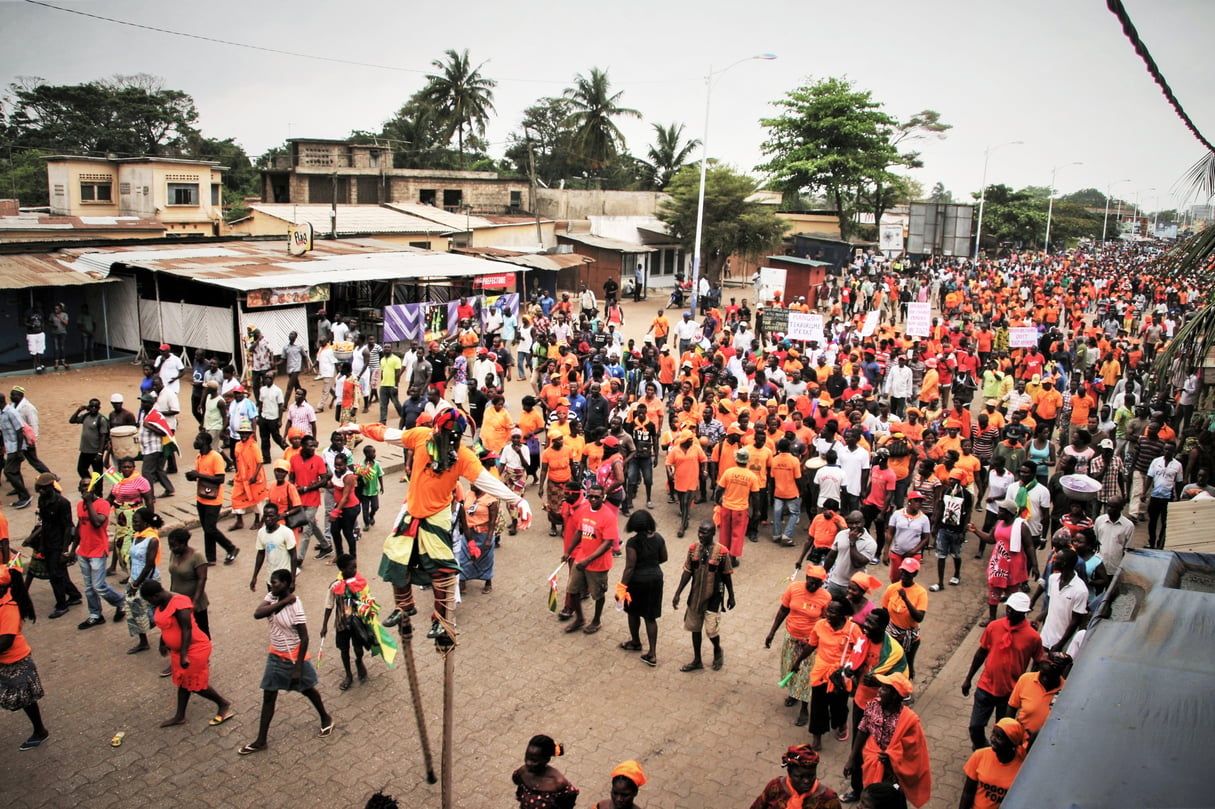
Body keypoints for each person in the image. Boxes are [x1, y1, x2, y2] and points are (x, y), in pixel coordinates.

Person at [239, 568, 333, 755]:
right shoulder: (273, 597)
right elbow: (258, 613)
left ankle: (326, 717)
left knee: (308, 689)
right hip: (276, 654)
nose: (272, 585)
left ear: (286, 584)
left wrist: (297, 668)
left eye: (275, 582)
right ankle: (261, 740)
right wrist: (281, 602)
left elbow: (304, 638)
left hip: (294, 656)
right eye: (271, 582)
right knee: (269, 694)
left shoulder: (296, 606)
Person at [140, 580, 233, 728]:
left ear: (156, 595)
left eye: (149, 600)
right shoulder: (160, 603)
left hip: (194, 649)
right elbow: (166, 627)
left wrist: (184, 655)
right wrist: (163, 643)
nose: (149, 603)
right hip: (178, 651)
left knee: (196, 684)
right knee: (184, 682)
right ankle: (180, 716)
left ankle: (223, 704)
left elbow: (187, 629)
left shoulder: (179, 603)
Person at [961, 592, 1042, 750]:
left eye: (1015, 610)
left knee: (1004, 731)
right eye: (1009, 608)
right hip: (986, 686)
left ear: (1025, 613)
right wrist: (968, 678)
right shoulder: (994, 627)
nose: (1010, 612)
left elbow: (1037, 662)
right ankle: (981, 749)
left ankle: (996, 758)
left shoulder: (1033, 637)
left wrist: (1029, 687)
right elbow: (981, 652)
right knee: (975, 727)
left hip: (1010, 693)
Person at [844, 672, 931, 809]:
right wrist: (851, 759)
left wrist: (892, 759)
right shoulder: (873, 706)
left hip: (894, 773)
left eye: (884, 688)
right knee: (871, 793)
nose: (879, 690)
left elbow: (914, 752)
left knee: (894, 794)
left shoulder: (909, 721)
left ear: (894, 696)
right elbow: (862, 730)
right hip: (871, 762)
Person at [792, 596, 862, 751]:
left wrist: (855, 673)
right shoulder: (819, 625)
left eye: (833, 612)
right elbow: (811, 645)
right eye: (828, 610)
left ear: (843, 614)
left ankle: (841, 723)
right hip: (820, 672)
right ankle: (816, 737)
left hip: (840, 675)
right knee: (818, 705)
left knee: (839, 705)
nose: (828, 614)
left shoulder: (853, 630)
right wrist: (798, 662)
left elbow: (859, 652)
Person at [766, 564, 832, 727]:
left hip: (810, 643)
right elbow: (783, 610)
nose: (813, 585)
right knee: (791, 668)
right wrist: (772, 632)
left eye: (818, 583)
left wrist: (814, 641)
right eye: (811, 581)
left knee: (806, 675)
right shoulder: (794, 589)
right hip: (791, 638)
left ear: (822, 583)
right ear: (806, 578)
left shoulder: (825, 597)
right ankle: (794, 695)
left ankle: (804, 708)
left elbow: (825, 621)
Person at [671, 520, 736, 672]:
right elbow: (687, 571)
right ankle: (697, 660)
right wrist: (678, 593)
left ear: (713, 534)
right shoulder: (693, 549)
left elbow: (727, 576)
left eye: (704, 532)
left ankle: (717, 649)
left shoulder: (722, 552)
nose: (701, 535)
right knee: (695, 628)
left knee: (711, 630)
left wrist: (731, 596)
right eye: (699, 531)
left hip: (714, 598)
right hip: (695, 597)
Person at [0, 564, 50, 750]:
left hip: (15, 661)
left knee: (26, 699)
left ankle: (40, 731)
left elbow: (6, 641)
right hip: (5, 661)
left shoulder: (9, 607)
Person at [67, 475, 125, 629]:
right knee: (88, 587)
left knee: (98, 585)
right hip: (83, 551)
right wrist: (73, 550)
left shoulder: (102, 504)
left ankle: (120, 602)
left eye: (89, 486)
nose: (86, 489)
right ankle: (95, 615)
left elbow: (97, 522)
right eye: (83, 486)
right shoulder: (80, 505)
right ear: (80, 490)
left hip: (98, 550)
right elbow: (80, 527)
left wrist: (88, 502)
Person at [561, 483, 617, 635]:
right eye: (590, 496)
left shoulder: (608, 517)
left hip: (598, 564)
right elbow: (579, 532)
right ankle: (580, 618)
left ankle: (596, 621)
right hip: (581, 559)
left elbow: (607, 544)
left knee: (597, 594)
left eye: (596, 497)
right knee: (572, 591)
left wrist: (588, 560)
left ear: (603, 497)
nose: (592, 499)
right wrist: (569, 551)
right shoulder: (585, 510)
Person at [615, 510, 667, 667]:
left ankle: (635, 642)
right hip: (656, 579)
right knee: (650, 617)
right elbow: (664, 558)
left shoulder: (632, 543)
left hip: (637, 582)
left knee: (633, 612)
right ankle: (652, 653)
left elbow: (630, 567)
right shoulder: (658, 538)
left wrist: (621, 588)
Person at [26, 473, 82, 619]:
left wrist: (65, 550)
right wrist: (42, 544)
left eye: (44, 489)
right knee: (59, 572)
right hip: (48, 540)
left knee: (55, 575)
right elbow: (44, 524)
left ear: (51, 486)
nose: (41, 492)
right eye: (40, 489)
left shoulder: (62, 503)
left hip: (59, 543)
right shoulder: (42, 500)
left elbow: (67, 527)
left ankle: (61, 605)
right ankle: (74, 595)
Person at [185, 432, 239, 565]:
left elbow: (220, 478)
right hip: (201, 497)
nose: (195, 442)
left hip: (214, 499)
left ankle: (231, 548)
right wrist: (193, 476)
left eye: (198, 439)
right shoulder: (199, 457)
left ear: (204, 442)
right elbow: (201, 476)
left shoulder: (216, 457)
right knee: (207, 529)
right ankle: (211, 558)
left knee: (210, 528)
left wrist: (199, 475)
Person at [319, 554, 370, 692]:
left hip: (356, 623)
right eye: (351, 568)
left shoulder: (359, 582)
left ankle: (359, 661)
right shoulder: (335, 586)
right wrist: (324, 625)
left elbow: (367, 600)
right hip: (342, 623)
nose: (354, 570)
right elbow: (329, 605)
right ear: (342, 569)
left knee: (358, 648)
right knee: (344, 649)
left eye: (355, 567)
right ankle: (348, 674)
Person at [958, 718, 1028, 809]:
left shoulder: (1023, 765)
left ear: (1012, 743)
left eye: (999, 737)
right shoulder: (979, 756)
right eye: (993, 733)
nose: (992, 739)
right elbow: (968, 792)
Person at [749, 745, 841, 809]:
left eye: (811, 776)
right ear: (789, 773)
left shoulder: (828, 799)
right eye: (800, 776)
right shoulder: (775, 787)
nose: (806, 781)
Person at [123, 507, 163, 654]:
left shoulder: (152, 539)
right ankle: (143, 641)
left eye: (136, 521)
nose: (134, 523)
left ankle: (167, 638)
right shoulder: (136, 536)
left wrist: (136, 584)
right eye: (133, 521)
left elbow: (149, 565)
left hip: (147, 581)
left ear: (145, 522)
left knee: (156, 611)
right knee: (134, 611)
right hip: (134, 578)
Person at [106, 456, 153, 575]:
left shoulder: (141, 480)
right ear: (120, 468)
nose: (127, 469)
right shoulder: (117, 478)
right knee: (119, 540)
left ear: (134, 467)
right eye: (124, 467)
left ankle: (132, 573)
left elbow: (149, 501)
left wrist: (150, 520)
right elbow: (106, 465)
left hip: (135, 516)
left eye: (129, 467)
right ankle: (113, 567)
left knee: (129, 543)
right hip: (121, 516)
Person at [1035, 547, 1088, 653]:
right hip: (1045, 637)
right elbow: (1052, 604)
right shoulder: (1053, 579)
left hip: (1061, 643)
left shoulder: (1080, 590)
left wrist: (1060, 644)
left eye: (1056, 559)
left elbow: (1076, 621)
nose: (1053, 560)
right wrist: (1038, 618)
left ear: (1064, 564)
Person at [1007, 651, 1068, 743]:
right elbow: (1012, 707)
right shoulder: (1025, 679)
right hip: (1021, 740)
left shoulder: (1066, 690)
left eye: (1048, 676)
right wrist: (1009, 733)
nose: (1045, 679)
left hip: (1046, 743)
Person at [881, 559, 927, 680]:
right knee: (890, 663)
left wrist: (905, 599)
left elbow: (919, 617)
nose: (904, 575)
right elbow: (884, 611)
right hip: (892, 633)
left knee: (907, 664)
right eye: (903, 572)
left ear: (915, 574)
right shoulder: (892, 588)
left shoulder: (921, 592)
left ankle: (906, 690)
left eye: (908, 572)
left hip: (910, 636)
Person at [512, 734, 579, 809]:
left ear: (547, 759)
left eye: (534, 760)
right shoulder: (522, 772)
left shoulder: (558, 784)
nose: (528, 763)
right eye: (527, 757)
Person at [823, 511, 878, 599]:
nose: (853, 526)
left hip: (853, 586)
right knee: (830, 608)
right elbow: (831, 556)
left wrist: (852, 543)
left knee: (850, 610)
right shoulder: (841, 534)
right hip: (835, 581)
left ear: (863, 522)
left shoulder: (870, 543)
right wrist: (823, 573)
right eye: (850, 523)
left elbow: (858, 563)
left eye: (857, 523)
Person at [457, 481, 498, 593]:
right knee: (463, 557)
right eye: (470, 483)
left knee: (486, 558)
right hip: (468, 532)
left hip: (484, 533)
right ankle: (462, 581)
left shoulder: (491, 499)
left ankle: (487, 581)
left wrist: (489, 539)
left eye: (474, 483)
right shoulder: (468, 494)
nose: (471, 485)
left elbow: (492, 521)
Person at [249, 503, 298, 591]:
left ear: (277, 516)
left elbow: (293, 556)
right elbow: (260, 554)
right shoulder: (261, 533)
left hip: (284, 579)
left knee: (283, 603)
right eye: (265, 516)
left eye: (271, 516)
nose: (268, 519)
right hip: (271, 578)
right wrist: (254, 576)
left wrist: (292, 580)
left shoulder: (286, 532)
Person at [229, 421, 267, 532]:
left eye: (246, 433)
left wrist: (254, 476)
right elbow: (237, 460)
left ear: (249, 434)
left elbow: (260, 462)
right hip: (241, 476)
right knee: (235, 497)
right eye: (242, 433)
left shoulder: (253, 445)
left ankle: (258, 520)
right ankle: (239, 520)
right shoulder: (238, 445)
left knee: (257, 499)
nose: (243, 436)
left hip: (255, 477)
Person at [1145, 442, 1183, 549]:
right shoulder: (1156, 462)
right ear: (1163, 450)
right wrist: (1144, 492)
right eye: (1166, 449)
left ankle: (1160, 544)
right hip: (1155, 495)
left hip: (1168, 497)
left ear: (1173, 452)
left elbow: (1179, 482)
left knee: (1165, 522)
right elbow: (1149, 477)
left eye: (1170, 450)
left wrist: (1178, 497)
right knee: (1152, 521)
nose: (1167, 451)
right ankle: (1151, 542)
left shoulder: (1178, 465)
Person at [0, 393, 32, 509]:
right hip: (10, 447)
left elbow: (19, 431)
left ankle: (25, 496)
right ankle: (21, 494)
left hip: (15, 447)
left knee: (8, 471)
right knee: (15, 471)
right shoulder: (2, 413)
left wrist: (19, 451)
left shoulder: (11, 412)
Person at [68, 399, 109, 479]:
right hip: (84, 450)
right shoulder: (86, 416)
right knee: (81, 469)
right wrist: (79, 410)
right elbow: (72, 420)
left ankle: (98, 491)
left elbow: (103, 436)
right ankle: (89, 483)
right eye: (91, 406)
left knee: (97, 474)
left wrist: (100, 453)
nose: (93, 408)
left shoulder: (101, 419)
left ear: (99, 408)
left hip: (95, 452)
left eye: (95, 407)